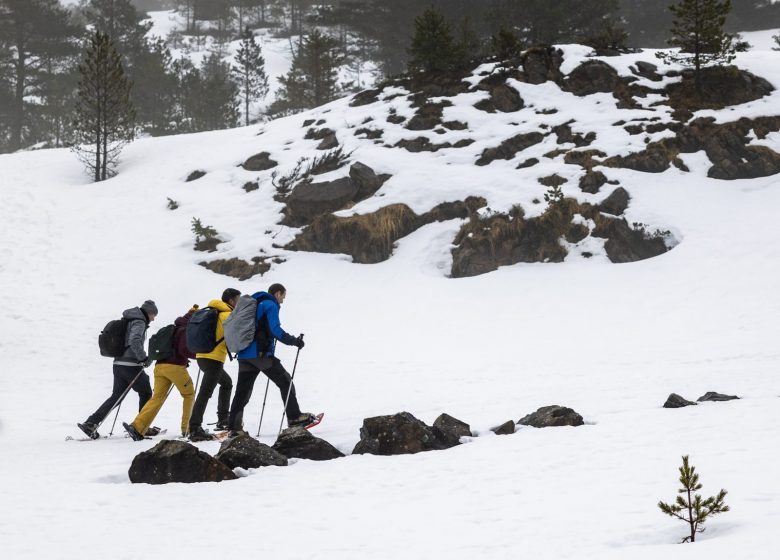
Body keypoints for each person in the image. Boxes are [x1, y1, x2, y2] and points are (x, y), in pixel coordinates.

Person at [227, 283, 313, 437]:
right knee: (285, 381)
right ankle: (295, 417)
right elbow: (275, 330)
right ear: (278, 293)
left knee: (242, 392)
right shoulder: (270, 305)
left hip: (244, 355)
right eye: (283, 297)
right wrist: (295, 341)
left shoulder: (255, 304)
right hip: (259, 354)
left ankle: (234, 427)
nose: (282, 301)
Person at [78, 300, 157, 439]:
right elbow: (134, 340)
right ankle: (141, 426)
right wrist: (143, 358)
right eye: (153, 315)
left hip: (118, 363)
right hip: (131, 364)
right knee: (145, 392)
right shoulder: (139, 322)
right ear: (149, 313)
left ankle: (91, 423)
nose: (153, 318)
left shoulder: (128, 320)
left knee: (116, 397)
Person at [123, 306, 198, 441]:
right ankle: (188, 429)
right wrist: (198, 354)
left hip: (159, 367)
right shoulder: (184, 330)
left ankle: (137, 427)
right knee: (189, 394)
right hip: (175, 368)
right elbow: (183, 349)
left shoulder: (172, 329)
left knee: (157, 398)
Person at [188, 288, 241, 441]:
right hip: (214, 359)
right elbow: (236, 335)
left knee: (226, 383)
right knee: (205, 393)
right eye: (238, 300)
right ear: (231, 301)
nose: (239, 303)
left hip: (202, 356)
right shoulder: (227, 315)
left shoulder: (211, 311)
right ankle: (195, 427)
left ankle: (223, 419)